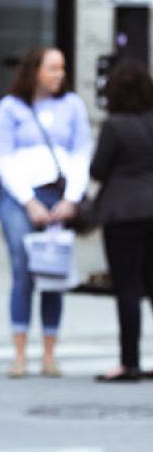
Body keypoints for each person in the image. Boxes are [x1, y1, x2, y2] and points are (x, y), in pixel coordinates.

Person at [0, 46, 91, 379]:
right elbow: (3, 157)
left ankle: (49, 352)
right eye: (52, 68)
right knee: (23, 268)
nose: (58, 75)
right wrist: (27, 200)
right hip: (21, 198)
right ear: (35, 70)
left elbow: (81, 152)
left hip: (58, 194)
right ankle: (19, 353)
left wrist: (72, 198)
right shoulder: (10, 108)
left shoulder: (73, 106)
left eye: (62, 68)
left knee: (53, 271)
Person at [89, 59, 153, 383]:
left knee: (128, 287)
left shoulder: (114, 126)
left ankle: (129, 362)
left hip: (123, 212)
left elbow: (98, 170)